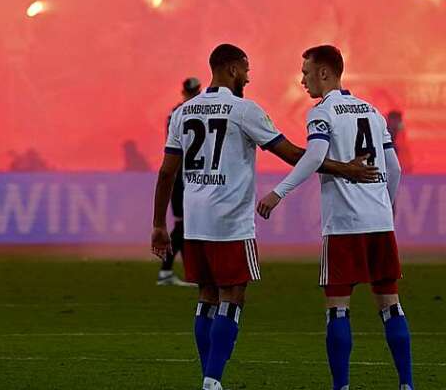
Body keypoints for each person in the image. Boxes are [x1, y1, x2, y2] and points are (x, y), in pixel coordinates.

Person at [152, 44, 378, 390]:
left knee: (206, 296)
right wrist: (343, 168)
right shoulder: (244, 110)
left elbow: (167, 172)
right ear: (230, 69)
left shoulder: (184, 111)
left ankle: (207, 376)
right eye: (245, 68)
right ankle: (212, 379)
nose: (248, 75)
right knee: (233, 296)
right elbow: (291, 154)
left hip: (195, 221)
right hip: (229, 220)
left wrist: (158, 224)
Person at [256, 46, 413, 390]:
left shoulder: (322, 112)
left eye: (306, 72)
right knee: (390, 305)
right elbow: (395, 168)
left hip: (344, 226)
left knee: (338, 309)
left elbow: (313, 157)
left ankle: (341, 386)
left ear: (324, 73)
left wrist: (278, 192)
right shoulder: (372, 111)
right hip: (380, 223)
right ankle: (407, 384)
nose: (302, 80)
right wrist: (386, 206)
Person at [157, 76, 202, 287]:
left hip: (190, 176)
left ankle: (188, 272)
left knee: (186, 226)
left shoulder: (179, 113)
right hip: (184, 177)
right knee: (183, 225)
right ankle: (166, 271)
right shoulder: (183, 114)